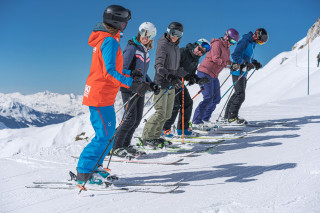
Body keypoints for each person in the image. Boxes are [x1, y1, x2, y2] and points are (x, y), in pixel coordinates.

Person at [76, 5, 150, 185]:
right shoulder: (109, 40)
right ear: (116, 21)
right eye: (124, 21)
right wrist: (131, 83)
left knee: (108, 134)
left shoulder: (107, 39)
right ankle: (85, 172)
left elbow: (112, 69)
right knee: (104, 135)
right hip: (100, 95)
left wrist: (130, 75)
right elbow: (109, 71)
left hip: (103, 95)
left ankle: (95, 167)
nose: (126, 25)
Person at [113, 22, 160, 158]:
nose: (146, 37)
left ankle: (126, 144)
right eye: (144, 32)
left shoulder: (145, 50)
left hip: (140, 88)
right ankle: (116, 147)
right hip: (128, 87)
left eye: (149, 35)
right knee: (129, 118)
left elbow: (143, 73)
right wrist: (132, 73)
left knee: (137, 118)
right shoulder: (132, 48)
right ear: (140, 32)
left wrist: (151, 84)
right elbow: (121, 69)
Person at [141, 22, 186, 148]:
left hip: (171, 84)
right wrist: (169, 76)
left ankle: (155, 136)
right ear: (168, 31)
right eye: (173, 33)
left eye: (179, 34)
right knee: (160, 112)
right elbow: (158, 66)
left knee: (167, 114)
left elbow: (174, 66)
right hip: (162, 82)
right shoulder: (163, 44)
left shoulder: (175, 46)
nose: (175, 36)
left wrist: (178, 75)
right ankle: (147, 137)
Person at [192, 29, 240, 130]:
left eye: (234, 42)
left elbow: (227, 61)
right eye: (231, 41)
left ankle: (205, 119)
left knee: (216, 98)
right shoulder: (217, 44)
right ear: (226, 37)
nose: (232, 44)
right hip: (205, 72)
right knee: (208, 97)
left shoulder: (227, 49)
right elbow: (215, 58)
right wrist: (228, 66)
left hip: (213, 75)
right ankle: (196, 121)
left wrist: (233, 65)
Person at [162, 39, 211, 137]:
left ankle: (182, 128)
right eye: (199, 49)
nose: (200, 52)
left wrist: (197, 80)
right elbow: (175, 67)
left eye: (202, 52)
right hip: (171, 81)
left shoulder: (195, 59)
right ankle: (164, 129)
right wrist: (188, 76)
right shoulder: (182, 52)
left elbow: (191, 74)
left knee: (187, 103)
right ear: (195, 45)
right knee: (175, 105)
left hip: (180, 83)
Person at [224, 28, 269, 124]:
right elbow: (235, 55)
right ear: (256, 36)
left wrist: (254, 63)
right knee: (240, 95)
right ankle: (232, 117)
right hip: (238, 71)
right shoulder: (245, 41)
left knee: (237, 94)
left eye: (261, 43)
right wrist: (244, 63)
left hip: (243, 72)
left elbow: (247, 57)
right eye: (260, 41)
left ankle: (227, 116)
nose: (259, 43)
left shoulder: (252, 44)